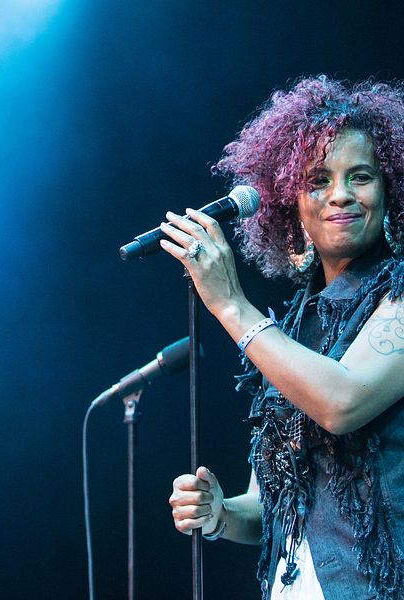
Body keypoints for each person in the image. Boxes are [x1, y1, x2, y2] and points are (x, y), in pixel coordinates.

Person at [163, 76, 404, 600]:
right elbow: (269, 504)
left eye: (360, 177)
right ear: (290, 205)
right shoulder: (294, 325)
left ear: (390, 192)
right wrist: (221, 514)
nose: (340, 194)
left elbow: (342, 400)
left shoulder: (400, 294)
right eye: (318, 180)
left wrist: (230, 304)